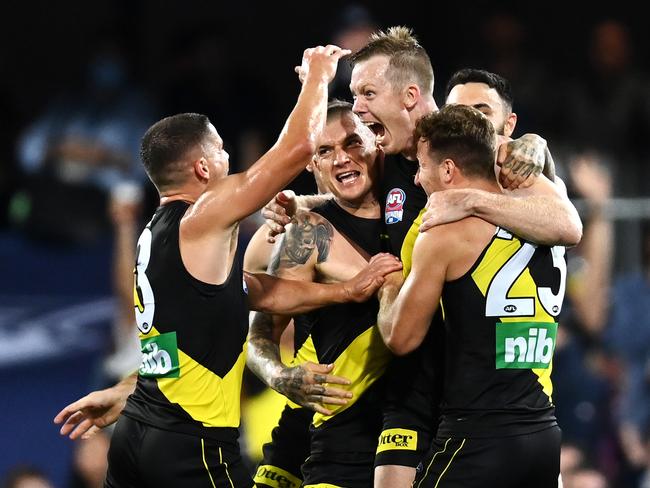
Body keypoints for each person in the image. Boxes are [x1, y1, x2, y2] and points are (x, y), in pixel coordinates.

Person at [54, 45, 403, 488]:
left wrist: (344, 290)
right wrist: (318, 75)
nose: (228, 159)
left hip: (138, 433)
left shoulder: (156, 238)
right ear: (202, 167)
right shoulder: (202, 216)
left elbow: (248, 293)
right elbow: (296, 148)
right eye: (220, 150)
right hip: (192, 445)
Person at [265, 28, 581, 487]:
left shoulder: (479, 154)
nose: (358, 108)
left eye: (367, 93)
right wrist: (301, 205)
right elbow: (338, 194)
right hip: (414, 392)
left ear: (410, 95)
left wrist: (526, 153)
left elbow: (568, 225)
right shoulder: (383, 155)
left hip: (469, 395)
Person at [377, 103, 566, 487]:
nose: (416, 179)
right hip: (543, 434)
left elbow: (401, 337)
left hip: (477, 435)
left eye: (422, 166)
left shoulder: (444, 234)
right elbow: (573, 224)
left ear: (448, 170)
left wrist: (390, 287)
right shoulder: (547, 216)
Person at [248, 100, 393, 487]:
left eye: (352, 143)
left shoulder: (416, 209)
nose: (342, 159)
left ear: (377, 143)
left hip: (409, 429)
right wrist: (280, 375)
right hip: (327, 432)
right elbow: (259, 336)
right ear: (311, 165)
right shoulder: (303, 232)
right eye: (325, 151)